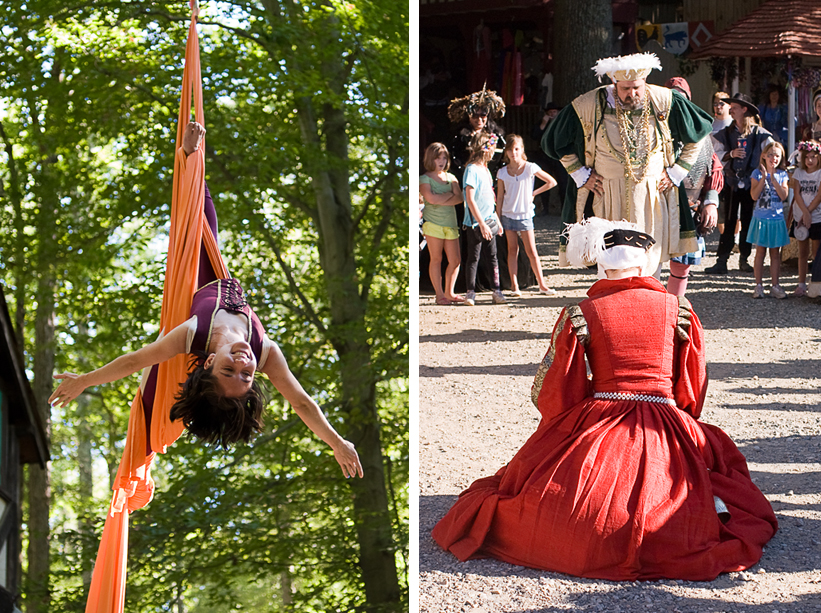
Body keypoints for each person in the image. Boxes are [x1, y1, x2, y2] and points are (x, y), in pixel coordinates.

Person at [432, 217, 778, 581]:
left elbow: (556, 389)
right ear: (644, 262)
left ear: (602, 263)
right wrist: (686, 426)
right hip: (664, 421)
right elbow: (693, 384)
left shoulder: (579, 313)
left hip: (599, 416)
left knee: (552, 506)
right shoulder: (680, 311)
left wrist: (566, 429)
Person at [49, 122, 363, 478]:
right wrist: (338, 442)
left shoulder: (192, 335)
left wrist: (85, 380)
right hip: (216, 263)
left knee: (198, 211)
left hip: (193, 271)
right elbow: (302, 402)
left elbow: (135, 361)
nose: (243, 363)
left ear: (210, 361)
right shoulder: (265, 353)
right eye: (245, 375)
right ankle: (192, 160)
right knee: (205, 213)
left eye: (228, 369)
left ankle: (188, 156)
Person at [542, 52, 713, 276]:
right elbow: (553, 141)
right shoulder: (589, 104)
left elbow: (699, 133)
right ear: (615, 83)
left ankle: (649, 304)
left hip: (652, 196)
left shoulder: (664, 100)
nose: (632, 93)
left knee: (650, 260)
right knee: (610, 261)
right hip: (607, 195)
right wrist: (581, 174)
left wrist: (677, 172)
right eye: (625, 89)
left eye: (637, 88)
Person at [664, 77, 722, 296]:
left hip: (689, 207)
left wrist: (711, 202)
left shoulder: (700, 133)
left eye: (681, 97)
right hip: (654, 205)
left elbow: (714, 170)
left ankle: (675, 313)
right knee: (649, 263)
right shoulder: (649, 129)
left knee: (681, 266)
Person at [705, 94, 774, 275]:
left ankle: (744, 259)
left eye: (734, 106)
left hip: (753, 184)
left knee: (748, 220)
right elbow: (715, 155)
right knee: (728, 221)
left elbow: (773, 152)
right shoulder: (726, 133)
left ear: (744, 110)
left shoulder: (760, 134)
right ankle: (722, 260)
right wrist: (730, 154)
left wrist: (764, 169)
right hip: (732, 183)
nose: (731, 109)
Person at [495, 135, 558, 296]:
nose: (513, 153)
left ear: (522, 149)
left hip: (525, 214)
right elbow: (500, 196)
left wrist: (533, 193)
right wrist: (498, 217)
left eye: (516, 149)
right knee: (512, 250)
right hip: (508, 215)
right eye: (510, 150)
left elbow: (551, 182)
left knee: (532, 250)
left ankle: (542, 285)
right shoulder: (502, 172)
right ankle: (514, 286)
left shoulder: (530, 167)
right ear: (506, 152)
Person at [462, 131, 505, 306]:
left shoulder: (486, 170)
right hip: (475, 223)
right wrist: (481, 223)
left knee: (492, 257)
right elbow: (470, 199)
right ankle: (470, 292)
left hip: (490, 220)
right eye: (492, 148)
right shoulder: (471, 169)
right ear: (485, 149)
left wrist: (497, 221)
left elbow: (490, 200)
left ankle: (497, 290)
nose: (494, 152)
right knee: (473, 257)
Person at [420, 142, 464, 305]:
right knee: (436, 259)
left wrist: (440, 198)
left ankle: (450, 292)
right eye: (438, 158)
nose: (442, 161)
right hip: (433, 224)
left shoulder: (452, 178)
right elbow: (430, 199)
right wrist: (448, 196)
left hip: (451, 224)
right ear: (430, 158)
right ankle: (439, 295)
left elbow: (459, 198)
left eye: (444, 158)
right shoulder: (424, 179)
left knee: (455, 260)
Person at [747, 141, 790, 299]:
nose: (774, 158)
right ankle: (758, 285)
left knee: (775, 254)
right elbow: (754, 195)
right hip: (761, 218)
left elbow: (784, 195)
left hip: (776, 218)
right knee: (760, 252)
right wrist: (764, 177)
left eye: (777, 155)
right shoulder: (756, 174)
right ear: (763, 156)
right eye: (771, 154)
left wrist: (773, 180)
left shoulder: (782, 175)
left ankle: (775, 285)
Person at [448, 87, 506, 179]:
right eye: (475, 115)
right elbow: (454, 159)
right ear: (468, 117)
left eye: (483, 115)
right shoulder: (460, 137)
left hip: (490, 179)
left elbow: (503, 159)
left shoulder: (496, 137)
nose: (479, 119)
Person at [789, 140, 821, 296]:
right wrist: (803, 214)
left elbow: (819, 195)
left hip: (816, 217)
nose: (810, 160)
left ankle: (815, 282)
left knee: (816, 252)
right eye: (807, 157)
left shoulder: (820, 172)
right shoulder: (799, 173)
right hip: (800, 215)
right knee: (802, 252)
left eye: (813, 157)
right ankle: (801, 283)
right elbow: (796, 193)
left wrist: (808, 213)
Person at [711, 91, 733, 236]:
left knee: (733, 207)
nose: (718, 107)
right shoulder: (710, 125)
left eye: (721, 104)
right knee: (719, 204)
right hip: (715, 169)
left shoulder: (733, 123)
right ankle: (723, 236)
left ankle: (735, 237)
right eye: (715, 104)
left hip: (732, 170)